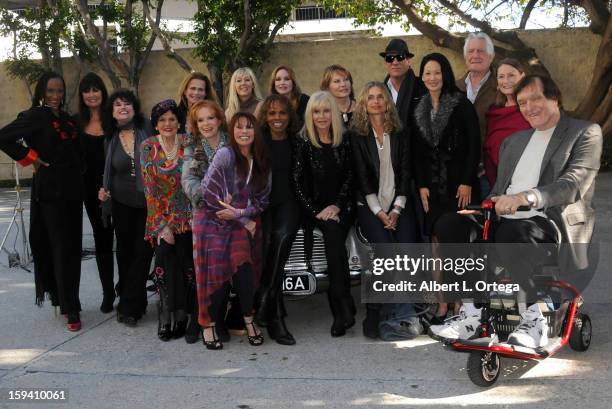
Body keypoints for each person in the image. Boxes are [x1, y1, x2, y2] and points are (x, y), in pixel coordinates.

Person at [429, 74, 602, 349]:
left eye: (536, 98)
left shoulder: (585, 132)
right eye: (522, 102)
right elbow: (499, 188)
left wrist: (528, 197)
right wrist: (482, 208)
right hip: (508, 219)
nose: (529, 107)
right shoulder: (515, 141)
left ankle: (537, 318)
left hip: (552, 221)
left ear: (554, 98)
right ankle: (472, 312)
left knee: (514, 231)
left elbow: (573, 184)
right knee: (450, 225)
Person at [0, 72, 83, 331]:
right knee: (59, 248)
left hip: (72, 192)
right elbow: (4, 137)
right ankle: (71, 308)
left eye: (59, 91)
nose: (56, 96)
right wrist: (31, 158)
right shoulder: (35, 116)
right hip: (50, 193)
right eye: (50, 92)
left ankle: (63, 298)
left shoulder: (67, 119)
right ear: (41, 92)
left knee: (73, 248)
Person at [412, 53, 481, 319]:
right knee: (437, 247)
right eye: (427, 73)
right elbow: (416, 151)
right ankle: (443, 303)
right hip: (432, 190)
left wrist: (466, 181)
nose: (432, 78)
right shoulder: (418, 108)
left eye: (437, 72)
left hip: (458, 188)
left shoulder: (460, 103)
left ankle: (460, 302)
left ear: (446, 74)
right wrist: (421, 186)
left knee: (456, 244)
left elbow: (473, 145)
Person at [349, 81, 418, 339]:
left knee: (407, 248)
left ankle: (403, 312)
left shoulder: (400, 132)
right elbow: (362, 177)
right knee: (383, 249)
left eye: (380, 97)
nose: (376, 101)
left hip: (399, 202)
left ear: (387, 102)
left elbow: (406, 173)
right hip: (369, 204)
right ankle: (376, 310)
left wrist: (397, 210)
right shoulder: (357, 135)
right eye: (371, 98)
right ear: (364, 105)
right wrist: (379, 212)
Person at [198, 112, 271, 350]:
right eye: (239, 128)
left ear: (255, 132)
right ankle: (207, 325)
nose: (244, 132)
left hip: (241, 222)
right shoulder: (225, 155)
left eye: (249, 127)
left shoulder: (261, 160)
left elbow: (262, 201)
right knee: (217, 270)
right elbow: (209, 194)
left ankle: (248, 319)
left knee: (244, 268)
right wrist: (242, 219)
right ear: (232, 131)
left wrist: (240, 215)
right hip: (213, 222)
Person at [293, 91, 356, 337]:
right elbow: (297, 183)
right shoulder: (303, 141)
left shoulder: (345, 139)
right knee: (332, 234)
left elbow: (351, 176)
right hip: (314, 209)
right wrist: (317, 211)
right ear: (310, 114)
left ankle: (342, 308)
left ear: (334, 113)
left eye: (326, 110)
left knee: (334, 233)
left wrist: (337, 206)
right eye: (316, 111)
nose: (321, 116)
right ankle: (342, 307)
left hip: (342, 207)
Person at [99, 89, 153, 328]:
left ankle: (127, 305)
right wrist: (104, 191)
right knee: (125, 253)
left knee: (143, 253)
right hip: (121, 204)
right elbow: (108, 173)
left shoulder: (148, 130)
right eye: (117, 105)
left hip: (149, 204)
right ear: (112, 112)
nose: (123, 107)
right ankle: (136, 302)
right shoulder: (110, 139)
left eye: (127, 103)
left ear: (134, 107)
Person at [140, 99, 193, 341]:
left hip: (188, 217)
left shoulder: (189, 142)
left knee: (184, 265)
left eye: (172, 119)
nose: (168, 123)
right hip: (160, 218)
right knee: (163, 263)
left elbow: (196, 180)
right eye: (162, 120)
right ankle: (165, 316)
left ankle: (182, 315)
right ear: (156, 124)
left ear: (179, 121)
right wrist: (163, 226)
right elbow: (150, 190)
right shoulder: (148, 147)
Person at [254, 94, 301, 345]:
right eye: (272, 113)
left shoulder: (297, 143)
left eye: (282, 113)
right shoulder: (258, 142)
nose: (277, 118)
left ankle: (264, 299)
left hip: (290, 203)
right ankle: (275, 315)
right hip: (263, 204)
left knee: (281, 239)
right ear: (265, 116)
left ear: (289, 116)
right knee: (268, 245)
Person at [182, 99, 229, 343]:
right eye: (201, 120)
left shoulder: (231, 143)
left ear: (219, 119)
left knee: (224, 270)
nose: (206, 124)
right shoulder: (192, 147)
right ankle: (201, 321)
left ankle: (219, 319)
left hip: (232, 212)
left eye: (210, 118)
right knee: (204, 270)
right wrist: (212, 197)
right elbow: (188, 182)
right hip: (204, 211)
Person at [74, 72, 115, 314]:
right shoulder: (76, 123)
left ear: (103, 92)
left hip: (118, 189)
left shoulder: (114, 119)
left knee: (127, 241)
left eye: (95, 89)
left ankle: (127, 288)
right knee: (102, 241)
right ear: (82, 95)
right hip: (90, 193)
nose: (91, 94)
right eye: (87, 90)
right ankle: (108, 291)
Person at [484, 58, 531, 186]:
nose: (506, 81)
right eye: (501, 77)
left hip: (527, 181)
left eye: (511, 75)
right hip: (494, 181)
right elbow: (489, 148)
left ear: (523, 77)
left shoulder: (531, 110)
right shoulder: (494, 111)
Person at [455, 32, 497, 143]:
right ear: (465, 57)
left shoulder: (500, 88)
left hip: (488, 157)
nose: (475, 55)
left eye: (480, 51)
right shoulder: (453, 87)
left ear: (491, 56)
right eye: (470, 51)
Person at [380, 38, 425, 131]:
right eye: (390, 58)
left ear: (408, 61)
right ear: (385, 63)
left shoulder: (423, 87)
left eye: (400, 57)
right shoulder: (380, 91)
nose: (395, 62)